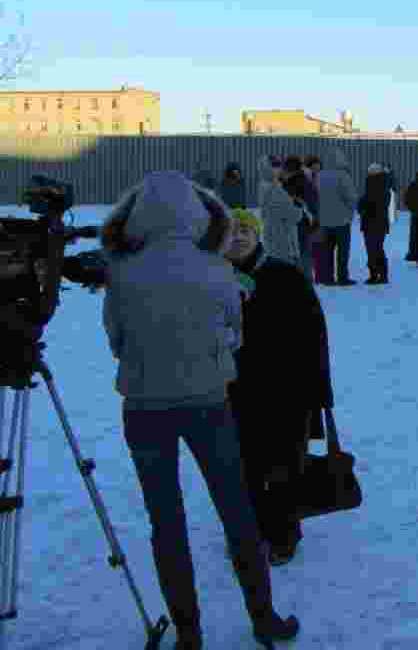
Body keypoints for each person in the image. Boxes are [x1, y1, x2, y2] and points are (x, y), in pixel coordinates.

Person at [100, 171, 299, 650]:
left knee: (165, 522)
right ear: (197, 213)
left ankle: (189, 633)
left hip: (144, 407)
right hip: (209, 403)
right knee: (237, 512)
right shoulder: (216, 267)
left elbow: (115, 339)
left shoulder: (122, 269)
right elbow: (236, 331)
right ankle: (263, 618)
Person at [225, 209, 334, 567]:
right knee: (244, 469)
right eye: (232, 230)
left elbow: (315, 333)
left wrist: (320, 391)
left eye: (246, 229)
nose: (239, 235)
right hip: (233, 392)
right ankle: (252, 532)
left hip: (288, 393)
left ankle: (284, 534)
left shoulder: (285, 275)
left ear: (258, 236)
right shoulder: (212, 280)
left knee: (287, 467)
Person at [317, 150, 358, 286]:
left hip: (325, 220)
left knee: (327, 251)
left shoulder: (319, 175)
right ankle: (342, 277)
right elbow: (351, 197)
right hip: (342, 220)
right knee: (342, 251)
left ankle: (328, 278)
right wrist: (351, 211)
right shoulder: (343, 175)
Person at [257, 156, 303, 268]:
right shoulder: (275, 190)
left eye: (279, 166)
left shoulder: (264, 186)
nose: (279, 169)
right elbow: (293, 216)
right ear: (268, 169)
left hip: (272, 237)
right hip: (282, 241)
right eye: (276, 166)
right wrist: (298, 207)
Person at [282, 156, 317, 282]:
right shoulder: (301, 181)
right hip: (300, 222)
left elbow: (311, 204)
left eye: (285, 168)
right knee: (301, 252)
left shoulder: (296, 182)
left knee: (300, 252)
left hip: (299, 223)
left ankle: (304, 280)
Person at [358, 164, 391, 284]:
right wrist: (363, 207)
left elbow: (375, 203)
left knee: (375, 249)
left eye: (371, 172)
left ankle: (380, 274)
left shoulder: (381, 186)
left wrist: (364, 207)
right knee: (373, 249)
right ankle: (375, 274)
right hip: (372, 222)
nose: (369, 173)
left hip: (376, 222)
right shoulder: (373, 185)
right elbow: (364, 202)